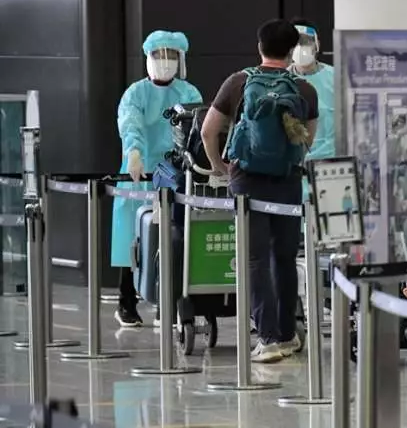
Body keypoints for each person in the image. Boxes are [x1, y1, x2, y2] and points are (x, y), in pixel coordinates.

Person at [201, 19, 319, 363]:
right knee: (284, 258)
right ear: (292, 51)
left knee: (255, 259)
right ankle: (286, 334)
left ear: (259, 47)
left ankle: (266, 338)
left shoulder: (237, 82)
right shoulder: (304, 90)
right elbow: (307, 141)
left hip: (247, 179)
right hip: (287, 179)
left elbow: (209, 131)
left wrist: (220, 167)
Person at [112, 30, 202, 327]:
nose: (164, 61)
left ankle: (173, 302)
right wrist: (134, 151)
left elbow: (194, 126)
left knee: (175, 239)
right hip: (140, 171)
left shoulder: (188, 93)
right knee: (134, 238)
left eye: (171, 56)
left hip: (175, 173)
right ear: (148, 58)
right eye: (158, 55)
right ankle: (126, 301)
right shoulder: (136, 93)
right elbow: (130, 122)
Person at [288, 18, 335, 163]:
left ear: (317, 44)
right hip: (294, 163)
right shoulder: (281, 80)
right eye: (295, 43)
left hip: (331, 160)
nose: (300, 47)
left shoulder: (335, 77)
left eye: (306, 42)